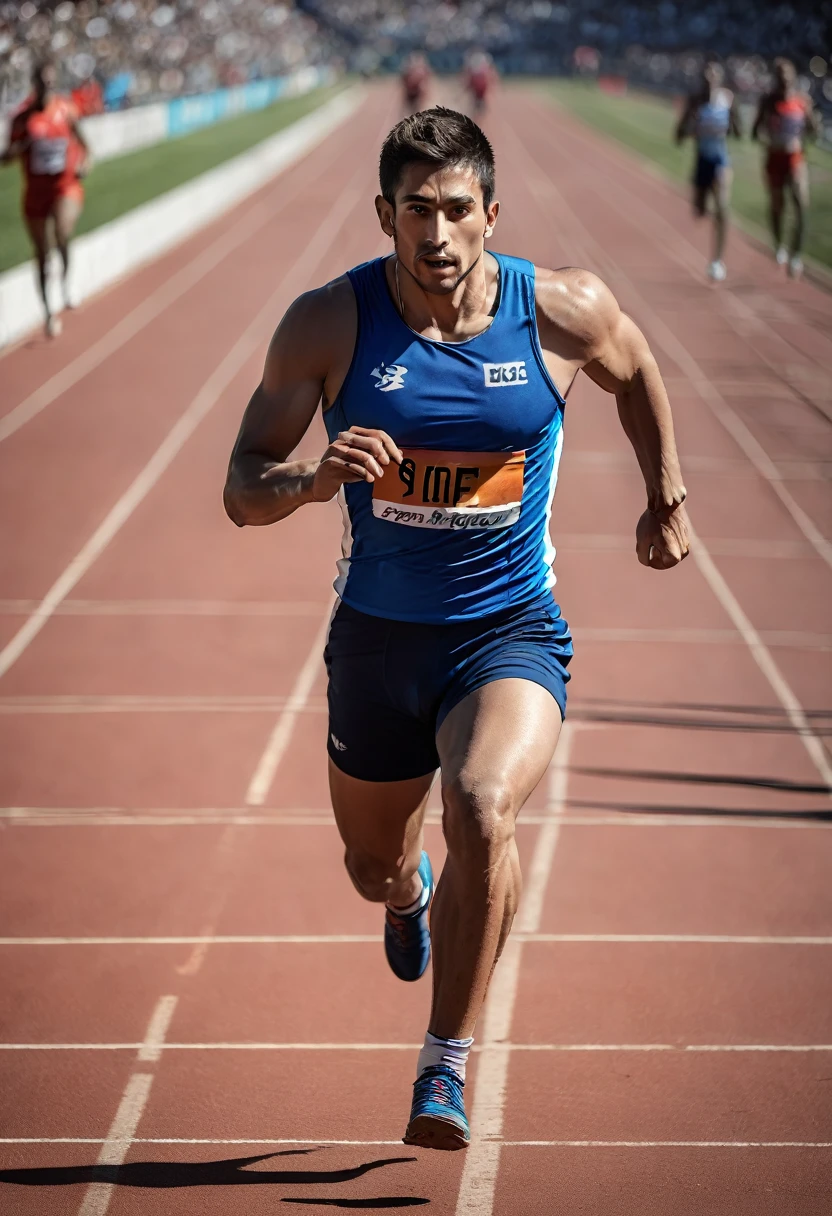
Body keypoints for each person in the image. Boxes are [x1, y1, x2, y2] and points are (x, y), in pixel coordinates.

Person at [224, 106, 689, 1150]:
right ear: (384, 214)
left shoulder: (557, 309)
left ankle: (446, 1061)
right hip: (379, 645)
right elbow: (239, 488)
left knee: (482, 802)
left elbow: (637, 366)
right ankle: (407, 893)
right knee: (371, 863)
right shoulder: (328, 323)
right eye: (414, 211)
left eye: (455, 210)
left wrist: (666, 493)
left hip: (508, 629)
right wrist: (309, 480)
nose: (435, 234)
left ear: (491, 212)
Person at [1, 61, 89, 337]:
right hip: (35, 193)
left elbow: (86, 145)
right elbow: (4, 158)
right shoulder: (22, 119)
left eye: (50, 82)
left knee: (62, 230)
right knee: (41, 255)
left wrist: (84, 164)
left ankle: (66, 281)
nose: (45, 88)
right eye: (41, 82)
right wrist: (20, 148)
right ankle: (48, 311)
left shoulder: (66, 110)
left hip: (65, 186)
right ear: (34, 83)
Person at [752, 57, 820, 279]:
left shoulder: (802, 102)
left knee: (801, 204)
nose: (784, 82)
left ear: (793, 79)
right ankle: (778, 244)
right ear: (776, 79)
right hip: (774, 159)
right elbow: (756, 131)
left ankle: (796, 255)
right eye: (780, 78)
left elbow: (812, 130)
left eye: (787, 78)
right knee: (777, 206)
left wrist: (810, 130)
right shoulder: (768, 101)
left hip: (795, 159)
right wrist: (768, 138)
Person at [676, 58, 741, 282]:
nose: (709, 79)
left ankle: (717, 260)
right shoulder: (695, 101)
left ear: (719, 78)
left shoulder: (727, 100)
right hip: (702, 160)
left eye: (713, 74)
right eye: (706, 75)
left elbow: (738, 131)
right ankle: (705, 207)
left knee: (723, 207)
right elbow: (678, 135)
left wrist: (732, 121)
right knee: (700, 211)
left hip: (720, 160)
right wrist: (692, 127)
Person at [463, 51, 497, 117]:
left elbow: (468, 75)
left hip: (478, 83)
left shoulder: (475, 65)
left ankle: (479, 108)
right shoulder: (482, 65)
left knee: (477, 98)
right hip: (480, 83)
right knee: (478, 98)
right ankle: (480, 108)